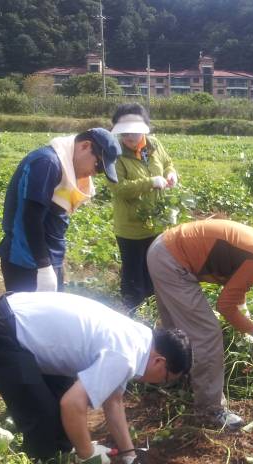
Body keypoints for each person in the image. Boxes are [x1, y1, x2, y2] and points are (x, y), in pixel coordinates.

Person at [0, 291, 192, 464]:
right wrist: (87, 454)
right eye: (164, 379)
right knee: (43, 419)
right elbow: (72, 404)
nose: (159, 383)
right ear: (159, 362)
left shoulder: (138, 339)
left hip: (10, 322)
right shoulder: (124, 355)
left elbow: (114, 402)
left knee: (59, 420)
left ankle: (58, 459)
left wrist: (129, 456)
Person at [146, 219, 253, 430]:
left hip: (164, 249)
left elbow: (235, 282)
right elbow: (225, 306)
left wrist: (245, 316)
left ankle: (165, 375)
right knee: (207, 335)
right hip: (171, 260)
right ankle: (210, 411)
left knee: (177, 329)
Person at [0, 128, 121, 292]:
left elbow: (53, 220)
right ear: (85, 146)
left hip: (46, 260)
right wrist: (44, 267)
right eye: (98, 166)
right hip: (27, 261)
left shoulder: (63, 167)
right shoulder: (47, 163)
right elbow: (31, 218)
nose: (96, 173)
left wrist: (54, 264)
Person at [108, 103, 178, 311]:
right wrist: (150, 182)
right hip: (130, 226)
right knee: (133, 274)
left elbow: (167, 163)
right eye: (125, 133)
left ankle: (151, 310)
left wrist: (170, 173)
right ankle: (132, 312)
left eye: (135, 132)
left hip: (156, 222)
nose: (130, 137)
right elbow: (118, 188)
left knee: (153, 269)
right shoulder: (114, 154)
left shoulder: (154, 144)